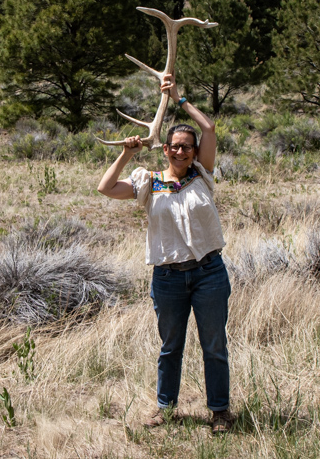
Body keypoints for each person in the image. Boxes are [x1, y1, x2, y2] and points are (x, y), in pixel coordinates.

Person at [97, 74, 234, 433]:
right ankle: (164, 408)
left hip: (209, 273)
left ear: (194, 151)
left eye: (187, 146)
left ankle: (219, 411)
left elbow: (210, 127)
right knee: (171, 346)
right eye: (174, 146)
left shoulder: (203, 174)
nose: (180, 151)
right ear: (165, 148)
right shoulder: (149, 181)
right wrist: (127, 152)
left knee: (214, 345)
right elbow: (106, 187)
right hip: (169, 278)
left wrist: (179, 99)